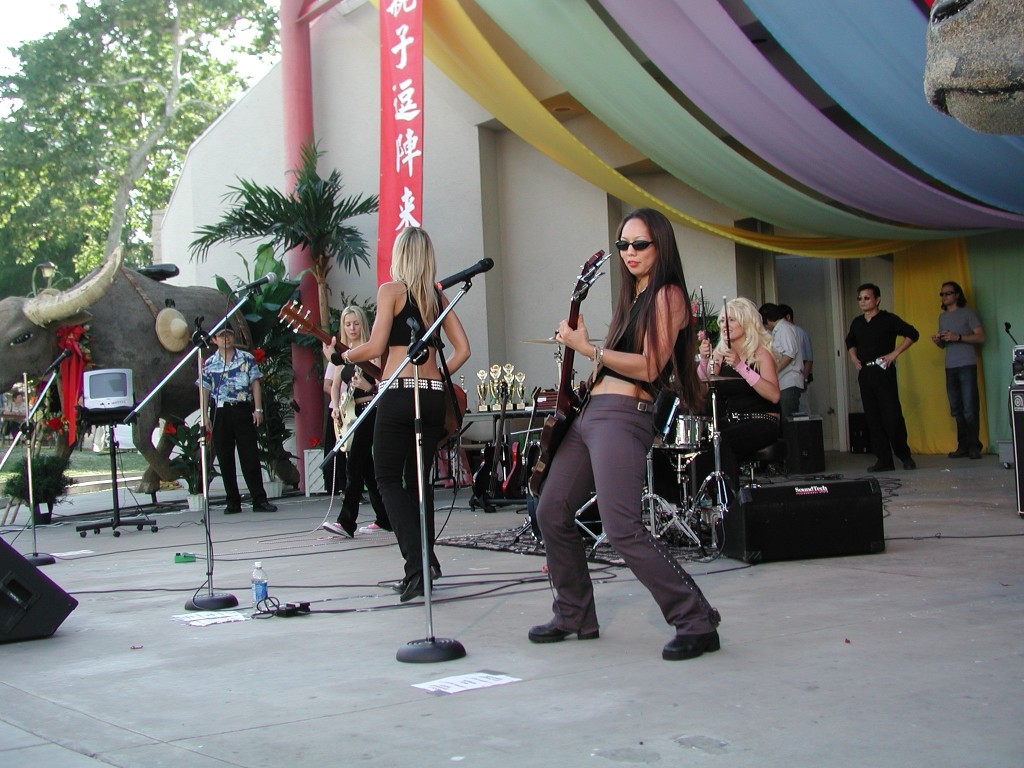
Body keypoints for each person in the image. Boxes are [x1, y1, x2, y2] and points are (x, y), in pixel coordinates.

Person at [530, 207, 721, 662]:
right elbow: (612, 362)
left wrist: (587, 347)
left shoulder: (668, 294)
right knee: (551, 510)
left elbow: (651, 366)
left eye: (640, 245)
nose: (629, 253)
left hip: (624, 414)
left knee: (621, 528)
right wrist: (594, 346)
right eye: (623, 245)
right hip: (592, 411)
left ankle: (695, 619)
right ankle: (574, 613)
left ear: (660, 246)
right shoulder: (632, 296)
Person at [330, 227, 470, 602]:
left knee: (388, 479)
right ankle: (430, 561)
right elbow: (464, 349)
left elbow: (374, 346)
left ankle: (417, 568)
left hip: (398, 393)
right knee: (418, 483)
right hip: (433, 396)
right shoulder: (437, 298)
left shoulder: (391, 291)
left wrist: (343, 355)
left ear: (400, 256)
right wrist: (438, 376)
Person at [699, 298, 782, 493]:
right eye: (722, 321)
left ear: (746, 322)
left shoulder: (760, 354)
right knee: (704, 441)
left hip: (762, 420)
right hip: (733, 420)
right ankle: (707, 500)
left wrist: (740, 366)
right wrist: (704, 360)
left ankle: (729, 502)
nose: (725, 326)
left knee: (723, 441)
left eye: (731, 320)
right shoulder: (720, 354)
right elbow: (702, 390)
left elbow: (774, 395)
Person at [322, 305, 391, 536]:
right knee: (367, 469)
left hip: (370, 407)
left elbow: (386, 381)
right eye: (347, 324)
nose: (351, 328)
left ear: (363, 324)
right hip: (350, 411)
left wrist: (369, 386)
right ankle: (385, 518)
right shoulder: (342, 351)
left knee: (354, 465)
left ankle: (346, 522)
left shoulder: (373, 349)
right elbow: (335, 384)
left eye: (356, 323)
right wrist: (335, 408)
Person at [199, 326, 277, 513]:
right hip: (220, 411)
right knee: (225, 457)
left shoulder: (246, 358)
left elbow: (255, 382)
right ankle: (232, 501)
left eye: (229, 334)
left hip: (241, 409)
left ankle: (259, 499)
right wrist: (204, 416)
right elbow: (204, 389)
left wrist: (257, 408)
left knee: (249, 455)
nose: (226, 338)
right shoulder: (209, 363)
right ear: (214, 340)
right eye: (221, 335)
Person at [845, 283, 919, 472]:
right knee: (873, 417)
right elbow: (850, 341)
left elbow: (912, 334)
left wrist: (894, 354)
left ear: (877, 299)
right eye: (860, 298)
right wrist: (854, 359)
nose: (863, 301)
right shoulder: (857, 322)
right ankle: (884, 459)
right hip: (866, 373)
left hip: (883, 370)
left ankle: (904, 455)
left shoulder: (888, 319)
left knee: (892, 416)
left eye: (867, 298)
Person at [930, 281, 985, 460]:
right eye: (942, 294)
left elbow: (980, 336)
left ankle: (974, 446)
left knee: (970, 407)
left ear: (957, 295)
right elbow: (944, 345)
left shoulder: (968, 313)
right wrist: (939, 341)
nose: (944, 296)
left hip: (966, 364)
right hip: (950, 366)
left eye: (948, 293)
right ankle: (963, 446)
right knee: (956, 409)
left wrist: (958, 336)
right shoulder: (942, 317)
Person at [758, 303, 803, 421]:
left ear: (767, 320)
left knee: (788, 421)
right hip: (783, 383)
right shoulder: (778, 330)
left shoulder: (785, 328)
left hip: (789, 381)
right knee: (784, 421)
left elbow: (789, 354)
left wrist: (774, 370)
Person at [778, 303, 813, 410]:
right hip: (784, 381)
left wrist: (804, 379)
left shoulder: (800, 333)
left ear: (788, 317)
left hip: (797, 379)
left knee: (799, 412)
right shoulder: (779, 332)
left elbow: (808, 359)